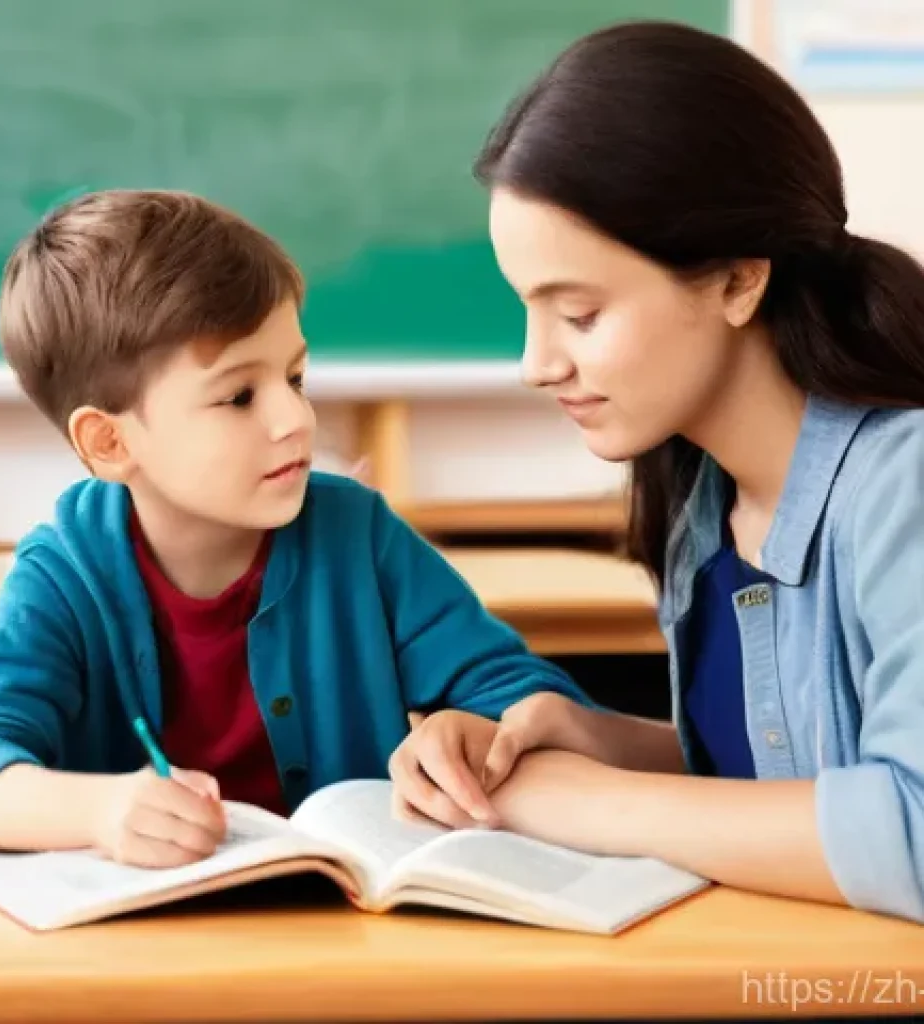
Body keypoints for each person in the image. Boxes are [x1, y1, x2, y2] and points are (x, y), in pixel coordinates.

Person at [389, 21, 924, 923]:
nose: (537, 364)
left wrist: (583, 800)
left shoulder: (900, 484)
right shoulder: (702, 504)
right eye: (530, 312)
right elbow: (784, 764)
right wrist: (592, 738)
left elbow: (909, 831)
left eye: (581, 314)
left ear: (736, 282)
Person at [0, 189, 590, 867]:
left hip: (356, 934)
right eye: (239, 396)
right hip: (143, 952)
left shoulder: (360, 537)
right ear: (111, 443)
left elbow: (535, 703)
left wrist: (473, 728)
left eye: (294, 377)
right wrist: (100, 811)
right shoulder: (66, 573)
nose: (295, 418)